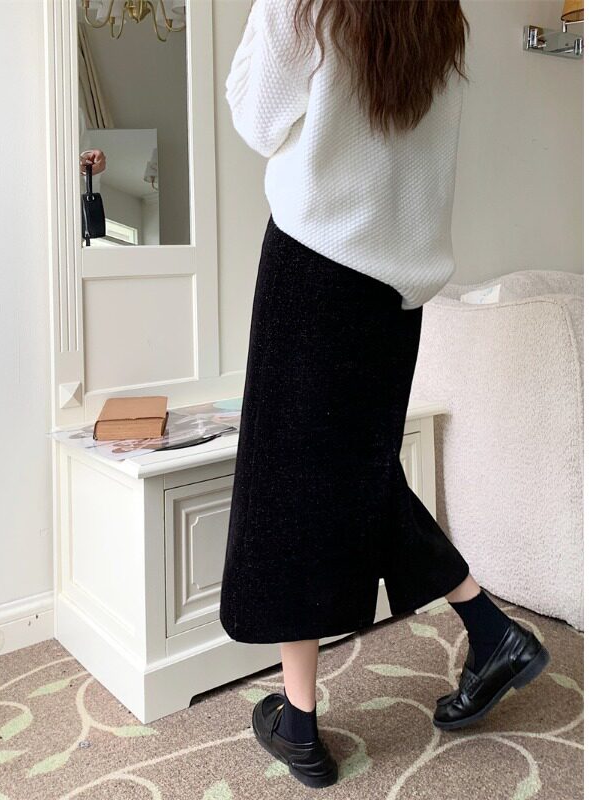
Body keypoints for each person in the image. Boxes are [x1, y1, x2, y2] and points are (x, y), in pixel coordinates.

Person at [219, 0, 550, 789]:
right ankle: (488, 630)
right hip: (396, 292)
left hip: (314, 266)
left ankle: (301, 723)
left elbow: (255, 118)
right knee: (353, 476)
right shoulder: (440, 13)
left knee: (291, 484)